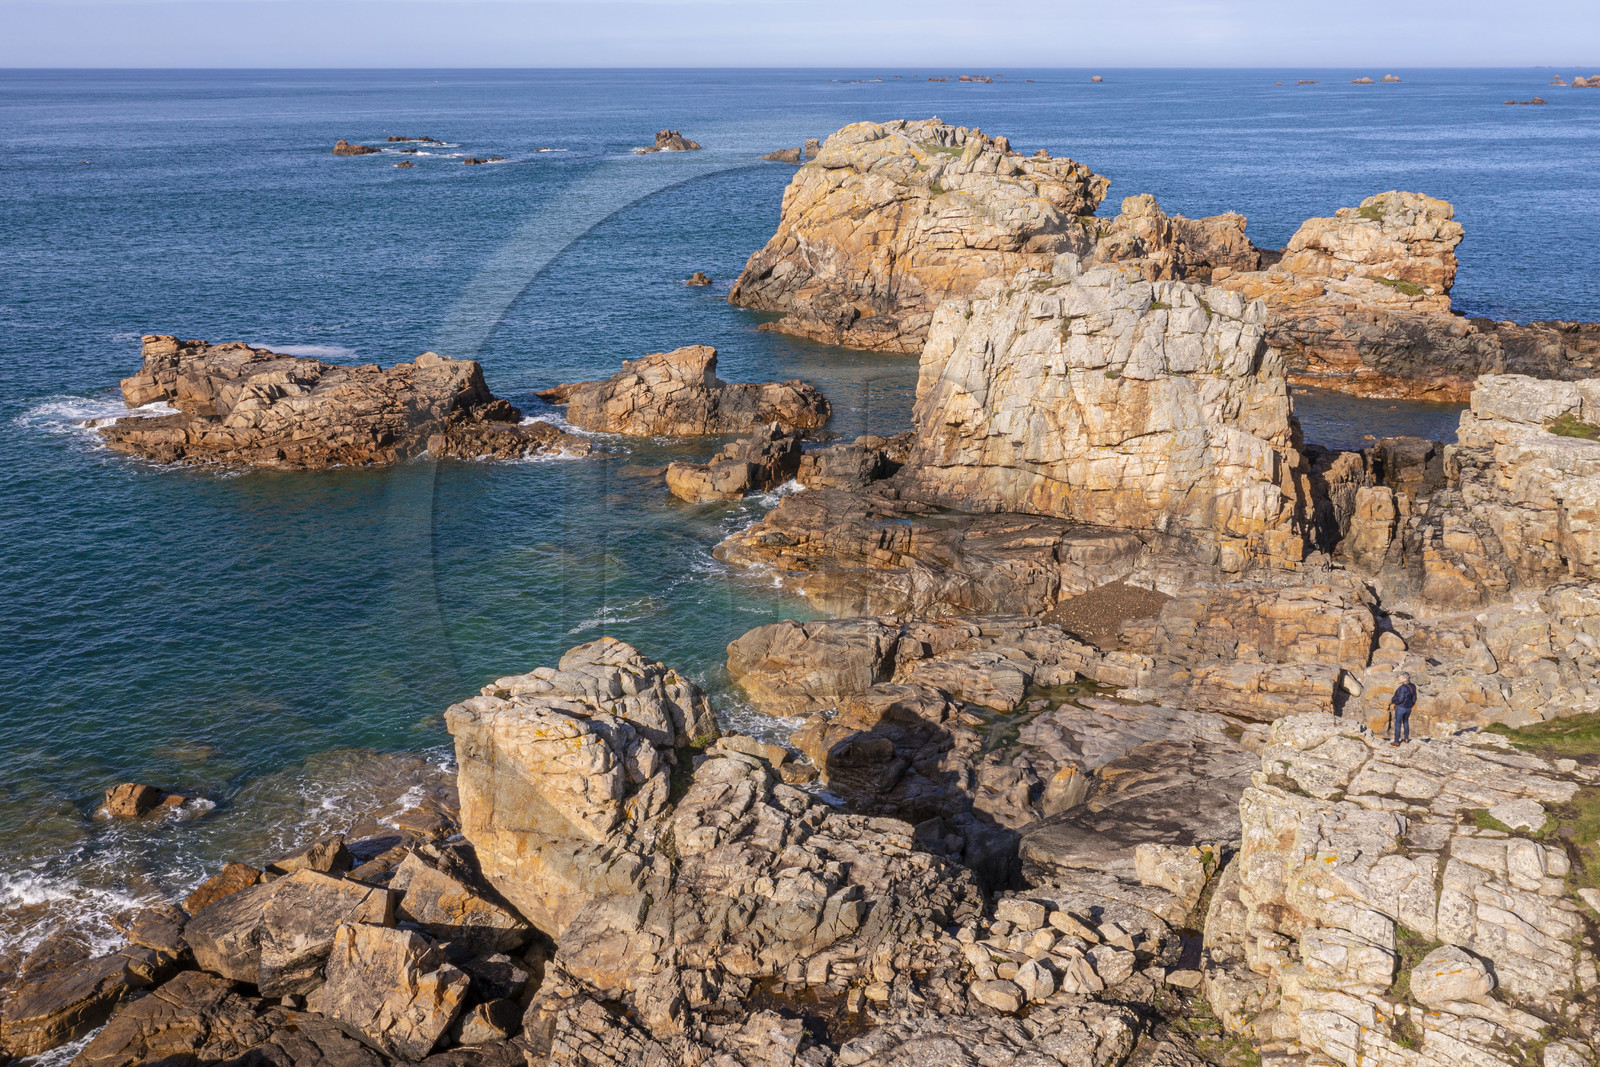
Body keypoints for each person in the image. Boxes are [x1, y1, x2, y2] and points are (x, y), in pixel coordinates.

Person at [1390, 673, 1417, 746]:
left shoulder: (1403, 688)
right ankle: (1406, 738)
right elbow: (1414, 698)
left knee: (1398, 724)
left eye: (1400, 677)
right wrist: (1411, 705)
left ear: (1405, 679)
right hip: (1408, 708)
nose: (1399, 678)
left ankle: (1396, 741)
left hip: (1401, 708)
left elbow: (1400, 699)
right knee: (1405, 721)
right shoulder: (1413, 686)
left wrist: (1393, 701)